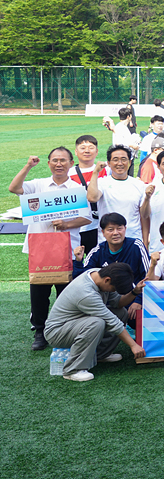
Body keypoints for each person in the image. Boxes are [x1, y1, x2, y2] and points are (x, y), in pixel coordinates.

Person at [10, 149, 95, 349]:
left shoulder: (76, 189)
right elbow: (14, 188)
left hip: (68, 249)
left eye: (63, 161)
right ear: (48, 163)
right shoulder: (38, 184)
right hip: (40, 249)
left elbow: (87, 218)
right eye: (55, 160)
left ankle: (64, 330)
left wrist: (66, 224)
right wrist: (28, 166)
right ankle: (40, 330)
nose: (59, 164)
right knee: (39, 292)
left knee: (67, 292)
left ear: (71, 163)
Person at [43, 262, 146, 382]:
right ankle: (72, 370)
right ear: (107, 280)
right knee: (96, 323)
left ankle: (101, 355)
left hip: (77, 322)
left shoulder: (100, 274)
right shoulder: (85, 293)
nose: (113, 291)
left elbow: (118, 303)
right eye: (114, 288)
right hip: (57, 332)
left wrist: (135, 292)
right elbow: (112, 322)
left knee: (121, 312)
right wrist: (133, 345)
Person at [72, 212, 150, 321]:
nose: (115, 233)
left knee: (136, 318)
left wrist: (138, 301)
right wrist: (78, 261)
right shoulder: (97, 251)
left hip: (133, 297)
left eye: (119, 228)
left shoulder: (136, 246)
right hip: (107, 301)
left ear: (125, 229)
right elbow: (82, 280)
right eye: (110, 230)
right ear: (103, 233)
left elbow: (147, 277)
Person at [87, 145, 148, 245]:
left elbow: (144, 217)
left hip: (133, 240)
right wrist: (95, 172)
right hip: (107, 242)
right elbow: (92, 198)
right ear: (109, 163)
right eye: (115, 160)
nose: (120, 163)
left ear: (130, 162)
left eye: (124, 159)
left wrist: (145, 242)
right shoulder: (102, 183)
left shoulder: (139, 185)